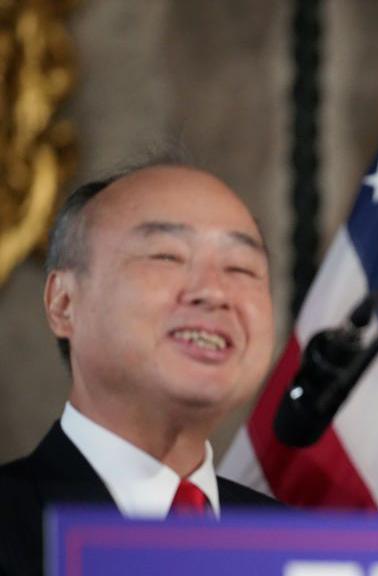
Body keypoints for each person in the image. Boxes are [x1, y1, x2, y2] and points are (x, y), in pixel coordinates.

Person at [0, 161, 280, 576]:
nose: (214, 292)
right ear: (63, 303)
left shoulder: (297, 549)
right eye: (167, 256)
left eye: (240, 267)